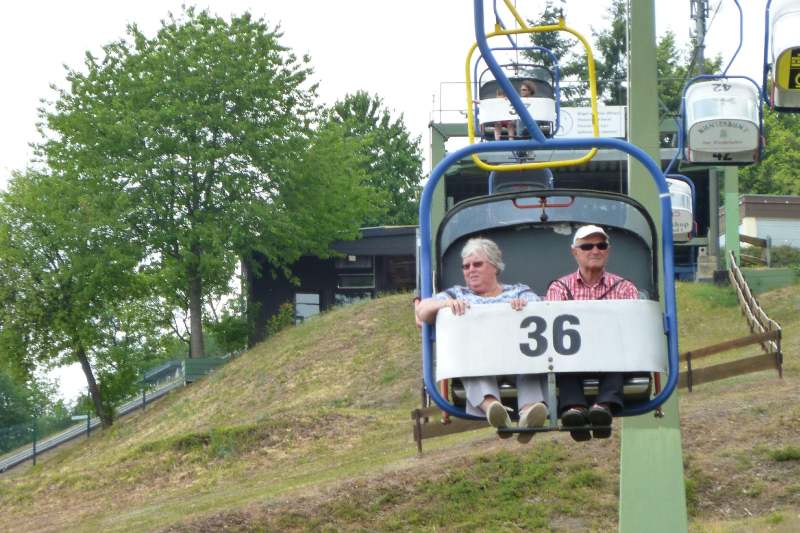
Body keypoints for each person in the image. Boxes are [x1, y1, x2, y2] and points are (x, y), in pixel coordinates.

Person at [416, 237, 548, 442]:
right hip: (479, 362)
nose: (471, 270)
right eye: (466, 266)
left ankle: (529, 413)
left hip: (516, 358)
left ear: (495, 266)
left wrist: (523, 307)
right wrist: (446, 306)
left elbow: (541, 308)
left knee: (530, 361)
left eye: (477, 264)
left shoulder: (518, 291)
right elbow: (423, 310)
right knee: (467, 361)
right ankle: (493, 409)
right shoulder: (456, 294)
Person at [546, 225, 639, 441]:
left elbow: (631, 327)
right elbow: (554, 327)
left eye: (601, 245)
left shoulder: (624, 288)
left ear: (608, 250)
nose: (595, 250)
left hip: (611, 354)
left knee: (618, 354)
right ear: (575, 252)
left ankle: (603, 407)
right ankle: (575, 409)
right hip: (573, 356)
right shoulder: (559, 288)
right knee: (561, 355)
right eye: (587, 246)